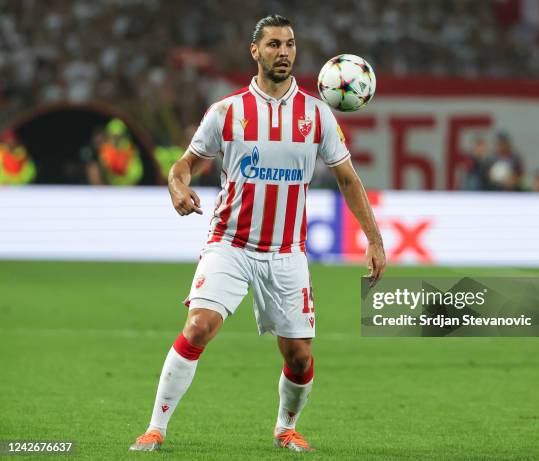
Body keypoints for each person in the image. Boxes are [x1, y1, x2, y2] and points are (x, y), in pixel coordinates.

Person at [129, 14, 386, 453]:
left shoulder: (316, 115)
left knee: (299, 356)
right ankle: (155, 428)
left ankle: (286, 428)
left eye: (289, 44)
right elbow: (184, 164)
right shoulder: (226, 112)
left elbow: (347, 179)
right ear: (255, 51)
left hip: (287, 253)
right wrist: (177, 186)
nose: (283, 52)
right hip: (230, 243)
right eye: (273, 45)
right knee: (197, 327)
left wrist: (374, 239)